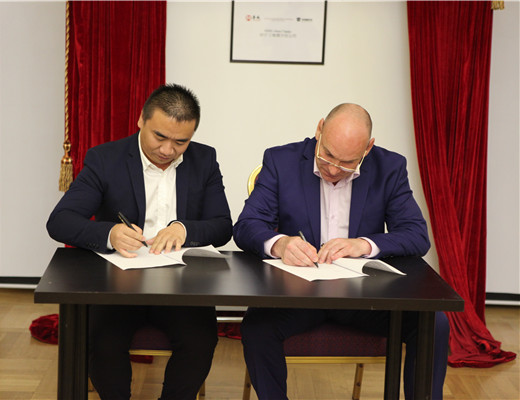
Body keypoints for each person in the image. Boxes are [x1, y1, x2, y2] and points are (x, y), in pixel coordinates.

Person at [233, 103, 450, 400]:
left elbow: (416, 235)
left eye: (347, 163)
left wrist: (364, 244)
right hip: (295, 296)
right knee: (257, 329)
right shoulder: (281, 161)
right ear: (319, 130)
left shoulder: (389, 168)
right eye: (327, 155)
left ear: (367, 148)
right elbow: (247, 225)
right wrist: (280, 243)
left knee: (433, 323)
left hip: (363, 298)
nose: (334, 169)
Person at [47, 84, 232, 400]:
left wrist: (184, 229)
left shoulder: (204, 160)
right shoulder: (106, 159)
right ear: (141, 121)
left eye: (181, 142)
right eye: (159, 137)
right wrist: (109, 233)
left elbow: (222, 226)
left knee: (200, 340)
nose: (168, 150)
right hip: (119, 282)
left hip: (181, 285)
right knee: (102, 340)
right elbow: (60, 221)